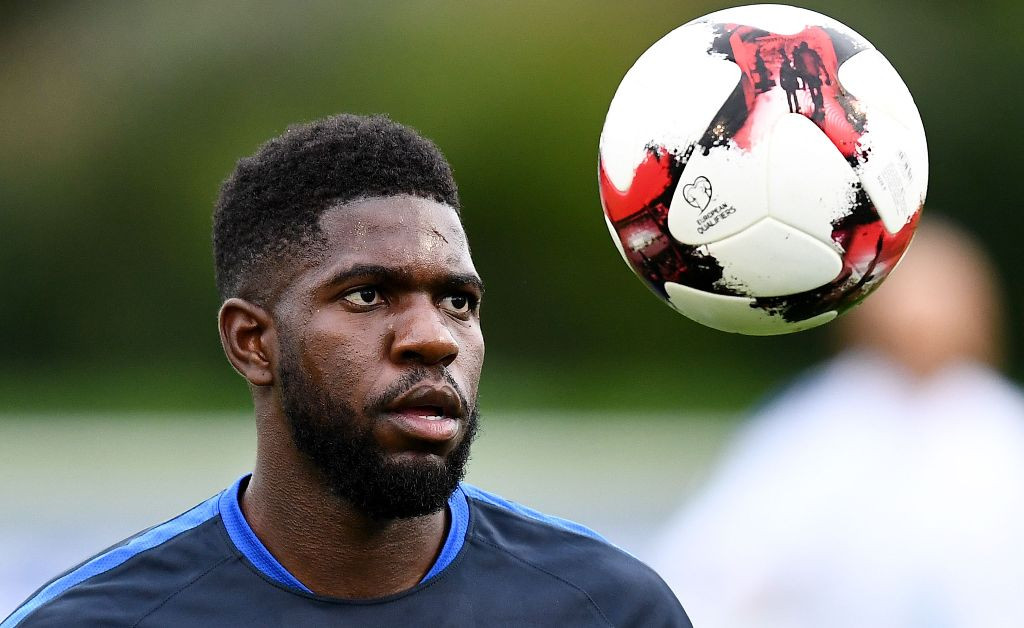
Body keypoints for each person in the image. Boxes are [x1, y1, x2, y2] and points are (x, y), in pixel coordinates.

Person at [4, 114, 690, 627]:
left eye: (458, 301)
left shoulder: (610, 609)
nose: (433, 339)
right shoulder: (94, 622)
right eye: (367, 294)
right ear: (251, 342)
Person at [648, 216, 1024, 628]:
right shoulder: (809, 431)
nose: (920, 315)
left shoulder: (1004, 434)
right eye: (907, 292)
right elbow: (707, 573)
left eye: (941, 294)